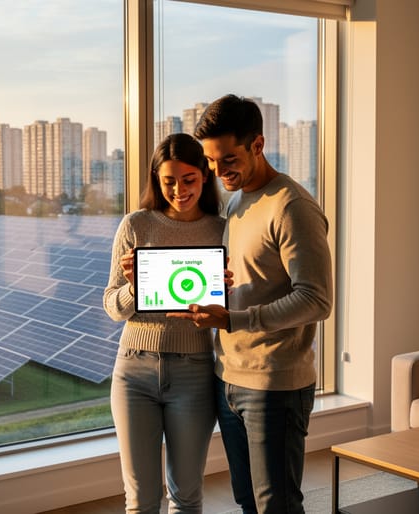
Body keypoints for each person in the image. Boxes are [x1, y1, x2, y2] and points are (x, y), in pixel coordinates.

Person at [168, 94, 333, 513]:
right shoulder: (237, 201)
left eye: (228, 159)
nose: (218, 171)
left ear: (257, 145)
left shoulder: (293, 206)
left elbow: (316, 299)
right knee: (246, 501)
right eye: (210, 161)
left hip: (275, 383)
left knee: (274, 504)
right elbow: (252, 283)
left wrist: (233, 319)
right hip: (230, 380)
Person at [103, 133, 226, 513]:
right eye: (168, 181)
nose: (179, 190)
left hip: (195, 371)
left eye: (188, 179)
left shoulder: (221, 230)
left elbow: (228, 309)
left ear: (205, 176)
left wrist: (229, 294)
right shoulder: (135, 225)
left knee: (186, 496)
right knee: (140, 500)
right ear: (156, 179)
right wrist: (136, 290)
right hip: (133, 369)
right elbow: (112, 305)